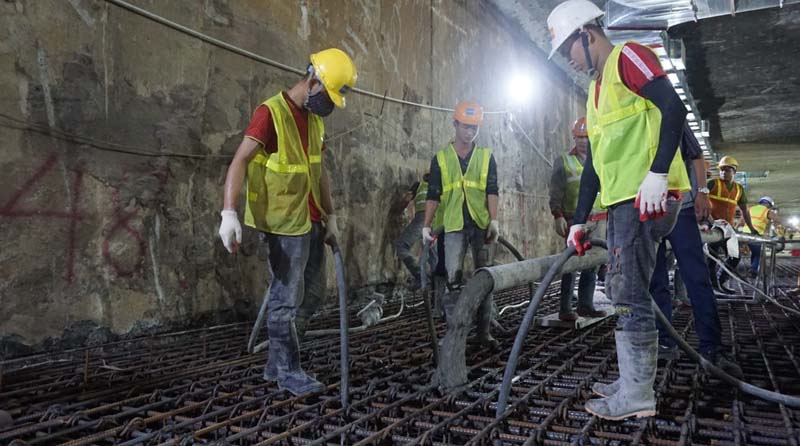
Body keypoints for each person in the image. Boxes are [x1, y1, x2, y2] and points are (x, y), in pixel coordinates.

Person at [548, 0, 691, 420]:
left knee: (626, 294)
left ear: (586, 35)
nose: (568, 60)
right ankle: (633, 382)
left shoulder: (628, 56)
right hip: (623, 204)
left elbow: (674, 107)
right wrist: (578, 221)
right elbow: (593, 166)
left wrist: (658, 172)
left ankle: (637, 396)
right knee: (627, 291)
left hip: (645, 198)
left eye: (568, 50)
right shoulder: (595, 93)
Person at [217, 48, 357, 396]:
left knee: (313, 296)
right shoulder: (271, 113)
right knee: (286, 300)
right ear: (312, 81)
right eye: (328, 96)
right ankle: (288, 372)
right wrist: (228, 213)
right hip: (281, 222)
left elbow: (319, 172)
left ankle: (276, 362)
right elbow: (239, 162)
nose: (329, 106)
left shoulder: (315, 120)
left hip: (310, 220)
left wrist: (331, 215)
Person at [647, 124, 743, 377]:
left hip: (682, 206)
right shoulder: (630, 114)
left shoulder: (668, 107)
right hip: (647, 207)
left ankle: (711, 347)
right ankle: (664, 341)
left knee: (696, 277)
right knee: (656, 281)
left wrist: (701, 192)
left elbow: (695, 154)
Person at [422, 100, 500, 349]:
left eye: (474, 128)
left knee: (484, 278)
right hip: (453, 224)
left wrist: (494, 220)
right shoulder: (441, 159)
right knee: (452, 280)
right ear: (455, 124)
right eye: (465, 126)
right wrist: (427, 225)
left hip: (480, 224)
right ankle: (456, 336)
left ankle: (484, 333)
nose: (470, 132)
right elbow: (433, 194)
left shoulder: (486, 157)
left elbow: (492, 190)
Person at [549, 117, 607, 321]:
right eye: (579, 137)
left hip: (598, 219)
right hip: (574, 220)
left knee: (592, 264)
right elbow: (556, 190)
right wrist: (557, 215)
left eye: (586, 137)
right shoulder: (563, 161)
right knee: (570, 264)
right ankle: (565, 308)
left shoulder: (600, 159)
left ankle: (585, 305)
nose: (583, 141)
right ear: (573, 137)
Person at [707, 156, 759, 293]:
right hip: (712, 227)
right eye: (722, 170)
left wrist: (752, 228)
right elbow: (700, 200)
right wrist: (709, 221)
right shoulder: (712, 184)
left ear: (734, 171)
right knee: (710, 259)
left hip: (728, 229)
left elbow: (745, 211)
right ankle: (713, 287)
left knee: (735, 257)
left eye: (727, 170)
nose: (724, 172)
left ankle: (720, 281)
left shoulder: (739, 189)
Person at [395, 173, 431, 289]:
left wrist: (396, 211)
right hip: (438, 221)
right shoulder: (440, 185)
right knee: (432, 254)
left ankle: (420, 276)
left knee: (401, 245)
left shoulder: (419, 186)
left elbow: (407, 198)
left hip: (423, 219)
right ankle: (435, 289)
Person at [742, 196, 777, 277]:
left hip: (743, 235)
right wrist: (778, 229)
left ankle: (725, 272)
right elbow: (777, 219)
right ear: (768, 204)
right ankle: (753, 270)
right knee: (759, 254)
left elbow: (741, 220)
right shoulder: (767, 211)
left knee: (754, 253)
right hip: (755, 236)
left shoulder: (750, 209)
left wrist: (735, 229)